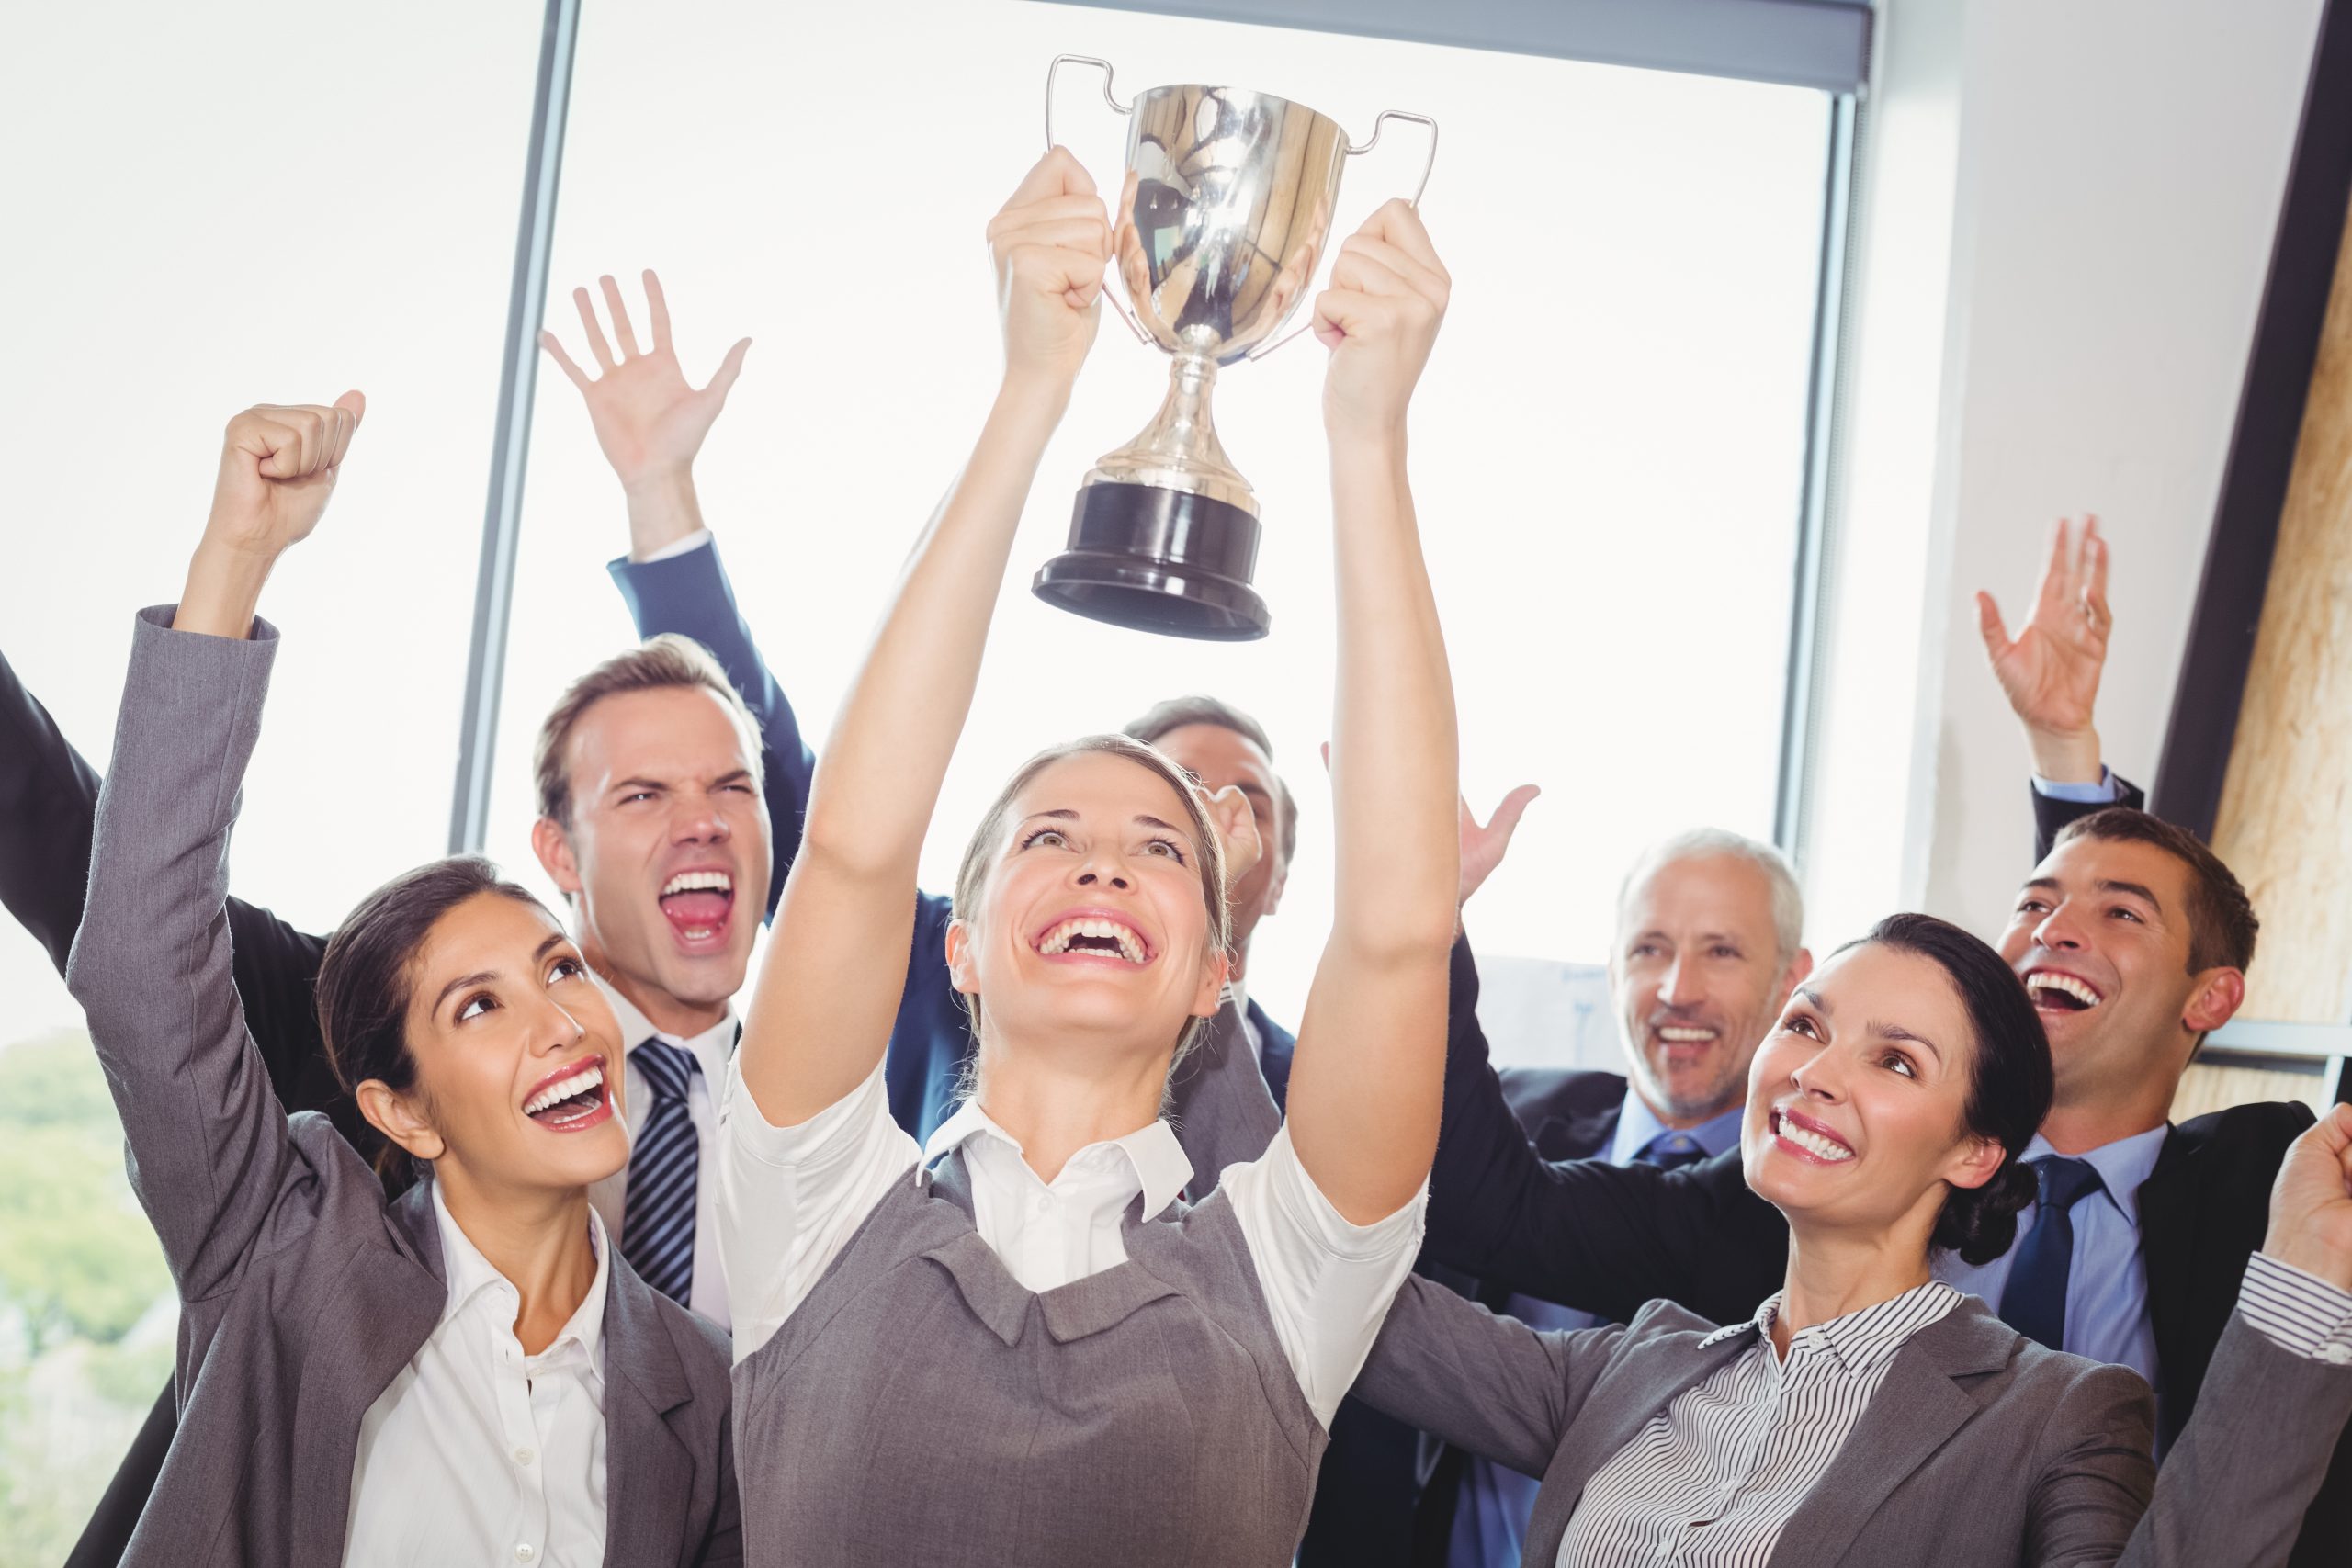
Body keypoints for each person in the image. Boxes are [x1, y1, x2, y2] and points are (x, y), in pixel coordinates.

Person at [715, 148, 1458, 1563]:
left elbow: (1398, 928)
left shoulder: (1292, 1264)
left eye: (1162, 851)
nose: (1105, 864)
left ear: (1216, 975)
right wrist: (1027, 392)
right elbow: (858, 850)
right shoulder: (807, 1198)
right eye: (1049, 837)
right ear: (963, 939)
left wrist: (1369, 437)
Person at [15, 270, 786, 1568]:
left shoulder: (702, 1396)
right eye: (479, 1001)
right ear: (403, 1110)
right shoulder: (290, 1241)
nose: (556, 1016)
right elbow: (141, 946)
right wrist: (236, 557)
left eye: (552, 971)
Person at [1415, 517, 2348, 1562]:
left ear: (2211, 1001)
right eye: (2031, 904)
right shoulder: (1729, 1253)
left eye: (1894, 1059)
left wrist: (2067, 769)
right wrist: (1408, 924)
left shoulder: (2261, 1185)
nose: (1820, 1076)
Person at [1359, 912, 2352, 1565]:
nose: (1814, 1072)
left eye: (1894, 1061)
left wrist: (2307, 1288)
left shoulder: (2054, 1418)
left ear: (1974, 1151)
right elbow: (1324, 1283)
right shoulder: (1630, 1368)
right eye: (1804, 1025)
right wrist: (1212, 999)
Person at [1428, 829, 1813, 1567]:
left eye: (1721, 950)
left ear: (1794, 979)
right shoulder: (1499, 1115)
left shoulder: (1814, 1199)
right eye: (1649, 949)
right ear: (1611, 972)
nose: (1678, 990)